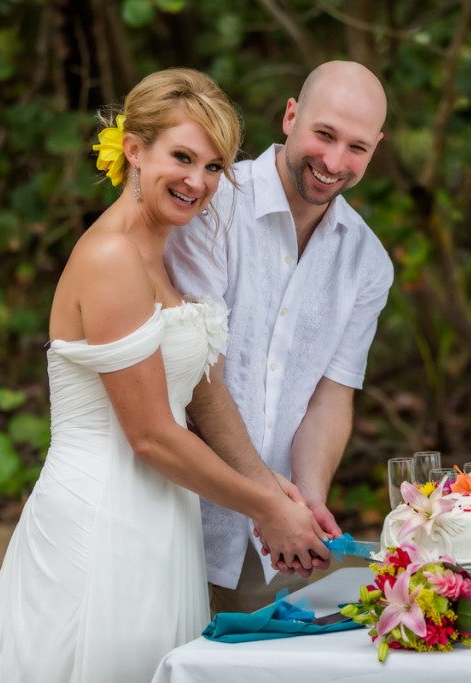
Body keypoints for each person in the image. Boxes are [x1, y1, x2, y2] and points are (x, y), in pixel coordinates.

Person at [0, 68, 329, 683]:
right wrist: (265, 508)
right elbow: (149, 433)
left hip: (161, 514)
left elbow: (200, 388)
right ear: (133, 149)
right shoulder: (110, 258)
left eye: (213, 167)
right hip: (102, 514)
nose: (197, 182)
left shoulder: (163, 248)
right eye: (182, 157)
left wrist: (270, 483)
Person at [164, 60, 393, 613]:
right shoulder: (210, 205)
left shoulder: (368, 262)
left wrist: (307, 501)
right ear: (291, 116)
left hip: (274, 539)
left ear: (376, 148)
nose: (335, 162)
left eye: (357, 148)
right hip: (174, 509)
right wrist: (270, 500)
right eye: (324, 134)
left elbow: (330, 396)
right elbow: (201, 377)